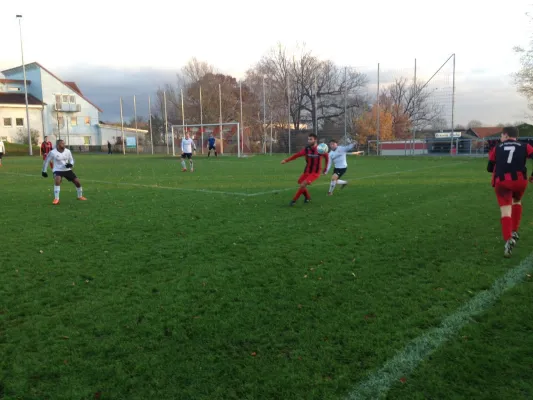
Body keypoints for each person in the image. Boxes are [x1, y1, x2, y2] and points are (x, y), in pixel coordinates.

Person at [487, 126, 533, 257]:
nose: (500, 138)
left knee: (505, 210)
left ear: (506, 135)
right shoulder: (525, 146)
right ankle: (514, 231)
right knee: (517, 201)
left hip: (502, 181)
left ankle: (508, 239)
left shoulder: (497, 147)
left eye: (501, 135)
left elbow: (489, 168)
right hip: (520, 181)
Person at [281, 133, 329, 206]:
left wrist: (325, 169)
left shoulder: (321, 149)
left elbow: (327, 158)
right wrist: (286, 160)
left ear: (315, 140)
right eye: (308, 139)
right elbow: (297, 155)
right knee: (300, 181)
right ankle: (307, 197)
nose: (309, 141)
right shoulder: (307, 149)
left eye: (311, 139)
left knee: (303, 184)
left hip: (315, 172)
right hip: (307, 170)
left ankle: (293, 200)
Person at [42, 139, 87, 205]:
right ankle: (56, 199)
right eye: (62, 143)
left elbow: (72, 160)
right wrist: (44, 171)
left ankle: (80, 196)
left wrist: (71, 164)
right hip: (57, 170)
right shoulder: (52, 152)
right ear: (58, 145)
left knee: (77, 182)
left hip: (67, 170)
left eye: (64, 143)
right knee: (57, 180)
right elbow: (46, 161)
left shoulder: (68, 151)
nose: (64, 144)